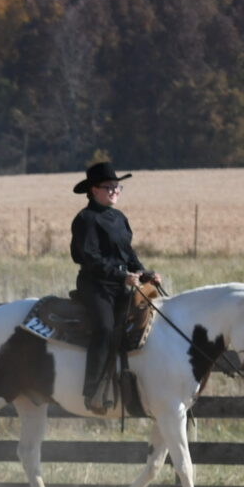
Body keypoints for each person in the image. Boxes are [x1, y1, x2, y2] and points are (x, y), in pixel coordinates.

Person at [67, 160, 162, 412]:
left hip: (121, 284)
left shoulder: (119, 218)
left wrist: (144, 273)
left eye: (118, 187)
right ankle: (92, 389)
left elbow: (127, 253)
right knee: (106, 328)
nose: (115, 192)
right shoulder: (85, 220)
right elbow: (89, 258)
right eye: (109, 187)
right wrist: (121, 276)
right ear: (93, 190)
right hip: (95, 286)